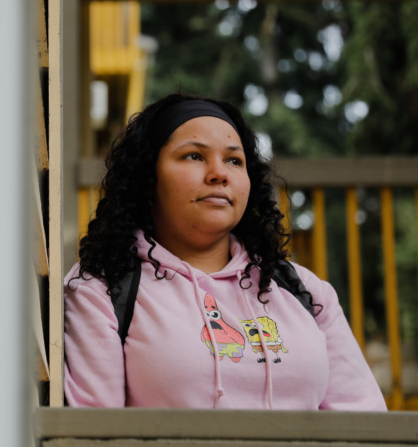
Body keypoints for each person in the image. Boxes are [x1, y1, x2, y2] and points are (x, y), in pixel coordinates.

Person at [64, 92, 386, 410]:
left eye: (234, 160)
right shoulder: (103, 290)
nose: (219, 173)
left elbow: (364, 425)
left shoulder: (305, 291)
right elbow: (94, 440)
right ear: (148, 177)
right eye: (194, 156)